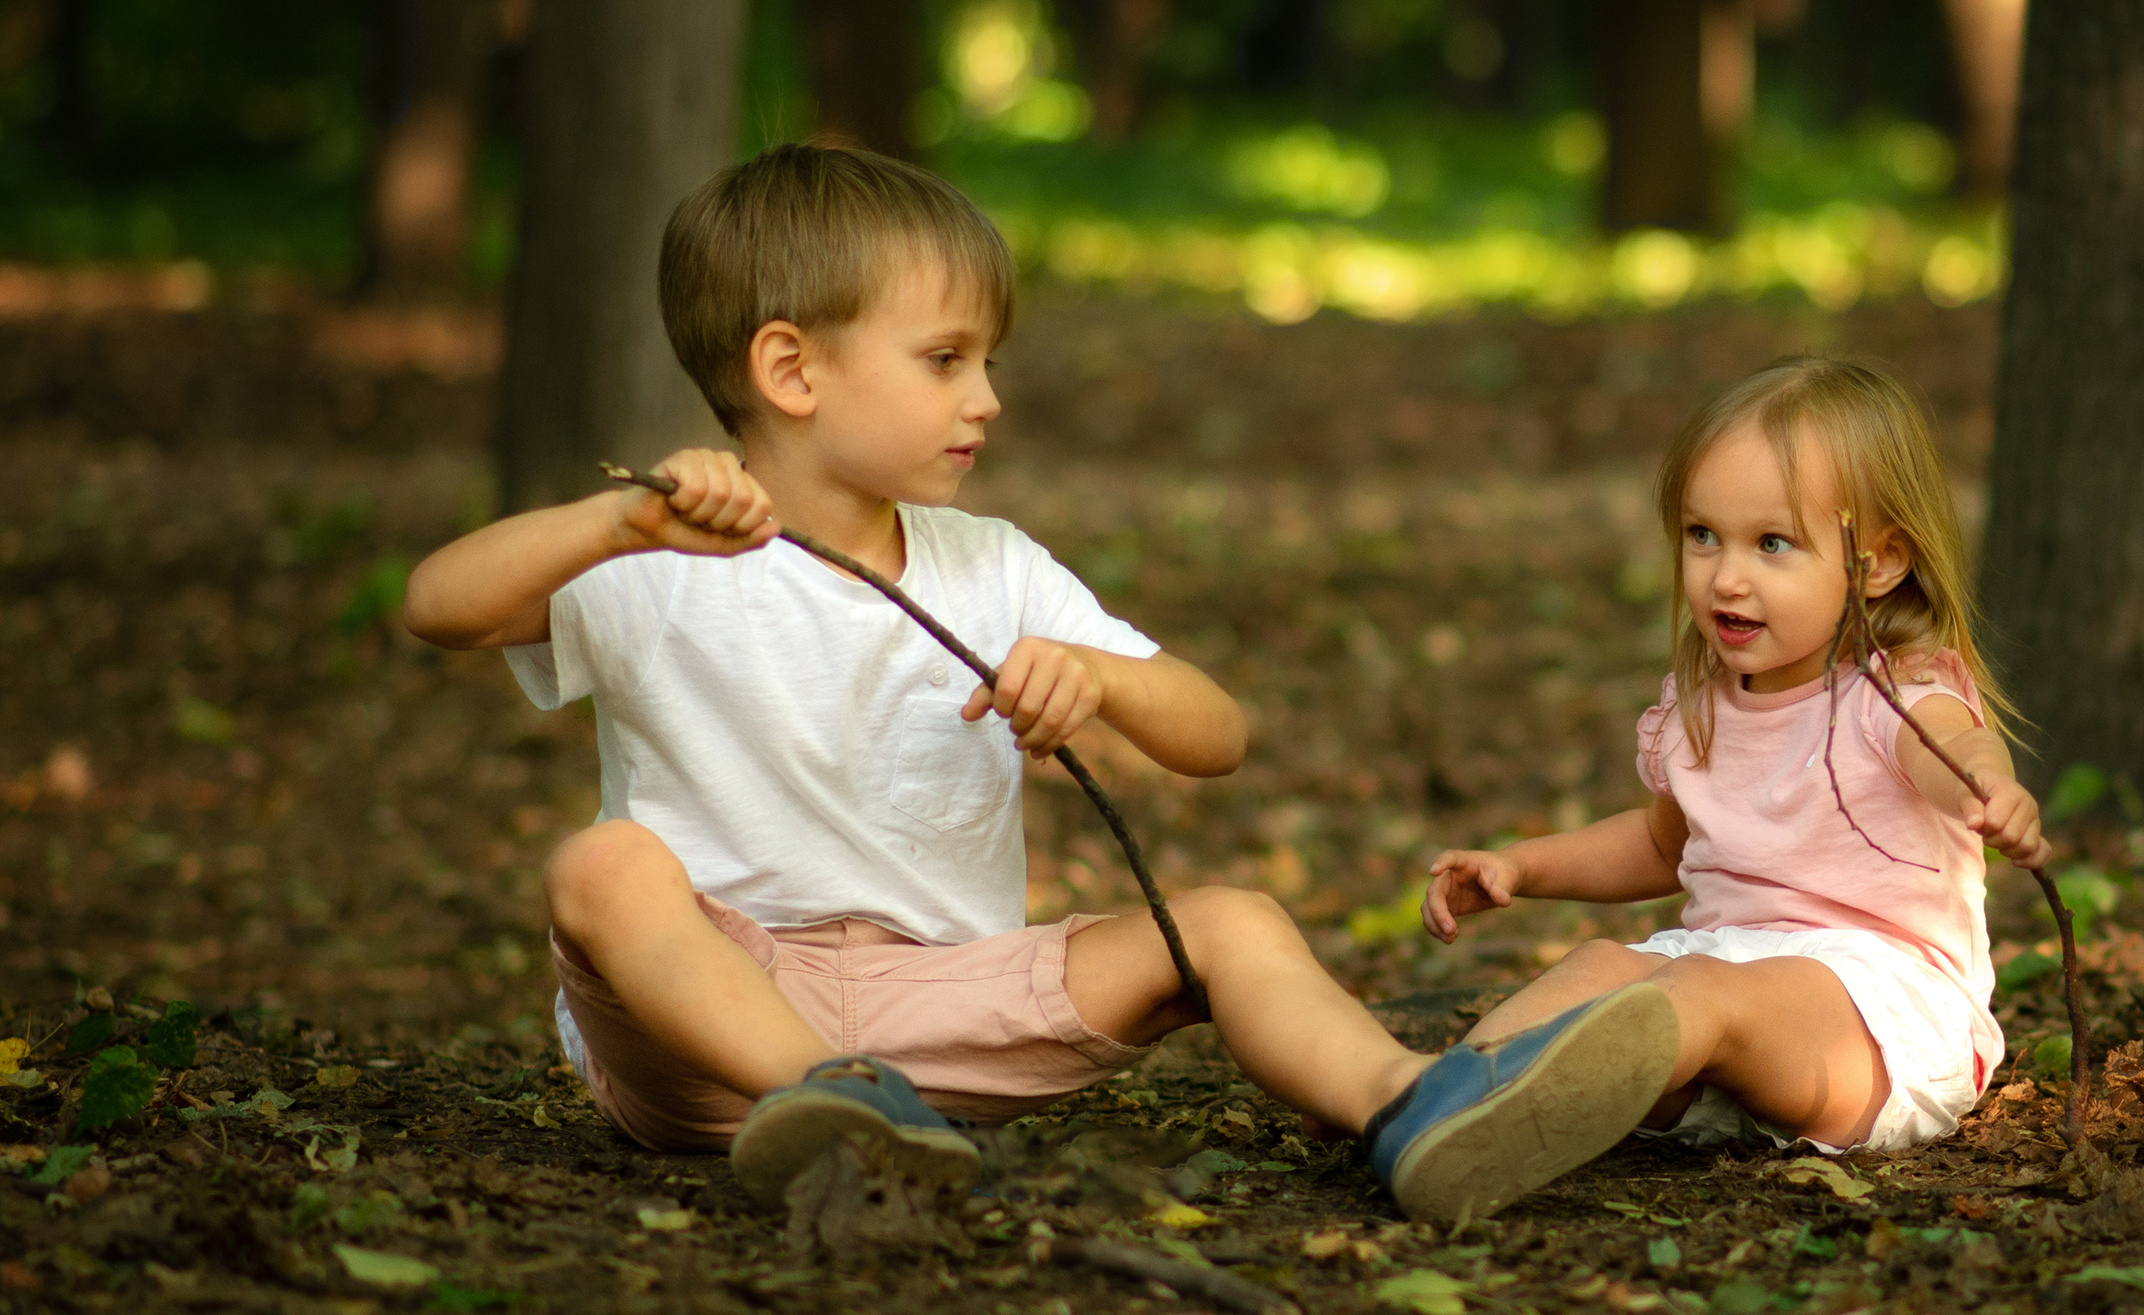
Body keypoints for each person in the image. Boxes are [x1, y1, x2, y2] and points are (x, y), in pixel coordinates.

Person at [403, 141, 1678, 1222]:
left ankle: (1409, 1106)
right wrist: (613, 524)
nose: (987, 400)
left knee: (1230, 921)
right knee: (603, 868)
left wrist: (1098, 680)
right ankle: (829, 1103)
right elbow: (437, 606)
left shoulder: (992, 565)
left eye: (988, 364)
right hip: (705, 1029)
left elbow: (1216, 735)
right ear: (790, 372)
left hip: (947, 1005)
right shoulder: (655, 558)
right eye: (944, 360)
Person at [1423, 356, 2050, 1156]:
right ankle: (1436, 1101)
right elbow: (1662, 845)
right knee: (1602, 967)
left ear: (1880, 562)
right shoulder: (1703, 703)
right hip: (1721, 985)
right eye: (1703, 536)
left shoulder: (1893, 694)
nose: (1725, 577)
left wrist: (1985, 785)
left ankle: (1509, 1100)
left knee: (1696, 994)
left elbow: (1953, 742)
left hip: (1876, 1018)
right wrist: (1522, 866)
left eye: (1772, 543)